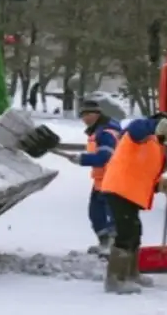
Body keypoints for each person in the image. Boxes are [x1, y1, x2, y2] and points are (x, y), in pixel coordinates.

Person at [99, 113, 167, 294]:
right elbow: (137, 128)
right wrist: (158, 124)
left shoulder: (158, 147)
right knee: (126, 233)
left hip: (131, 192)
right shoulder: (141, 135)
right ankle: (115, 279)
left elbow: (145, 173)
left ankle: (131, 274)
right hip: (119, 188)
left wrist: (162, 185)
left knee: (135, 232)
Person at [60, 100, 122, 256]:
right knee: (96, 214)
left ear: (98, 114)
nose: (85, 118)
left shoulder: (107, 133)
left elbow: (104, 157)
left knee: (112, 214)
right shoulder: (97, 131)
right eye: (83, 115)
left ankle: (114, 245)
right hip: (101, 180)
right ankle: (104, 242)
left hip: (113, 180)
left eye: (89, 114)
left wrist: (82, 159)